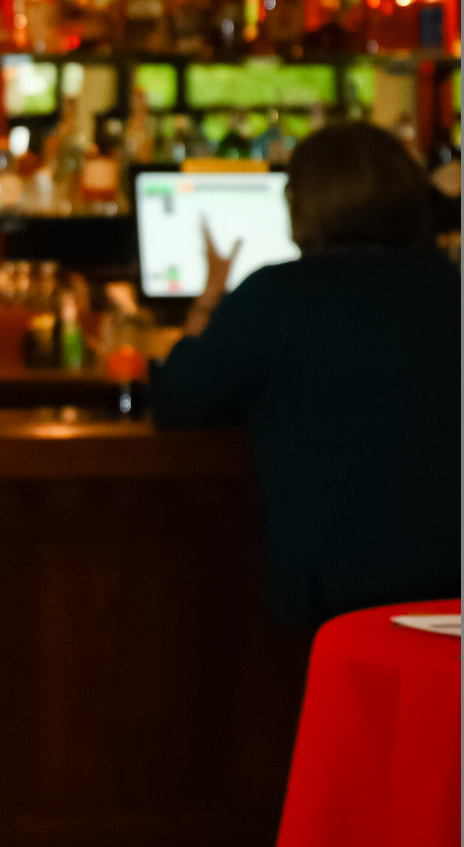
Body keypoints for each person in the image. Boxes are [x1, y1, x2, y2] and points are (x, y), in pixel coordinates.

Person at [156, 121, 460, 626]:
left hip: (342, 582)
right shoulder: (450, 286)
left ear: (301, 205)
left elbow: (178, 399)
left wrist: (209, 297)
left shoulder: (277, 296)